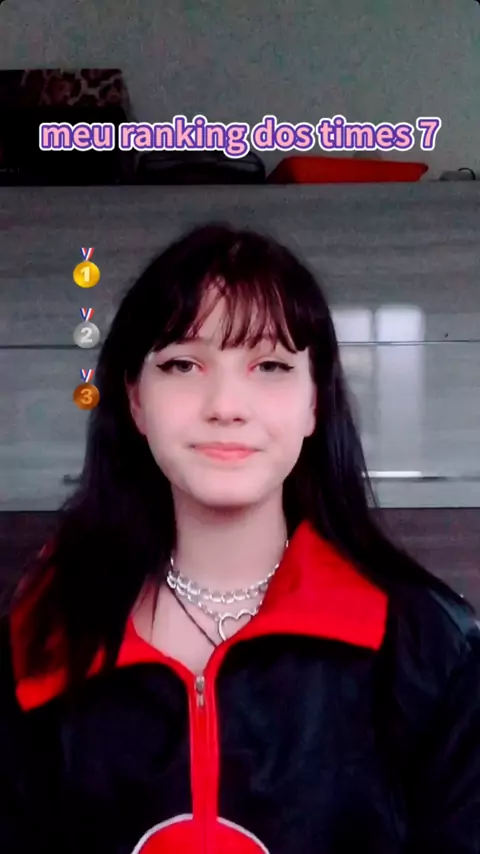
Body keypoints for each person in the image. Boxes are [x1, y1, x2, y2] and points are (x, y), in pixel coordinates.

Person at [1, 222, 479, 854]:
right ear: (136, 400)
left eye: (270, 365)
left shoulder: (431, 651)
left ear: (314, 403)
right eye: (182, 364)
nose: (226, 404)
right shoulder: (43, 637)